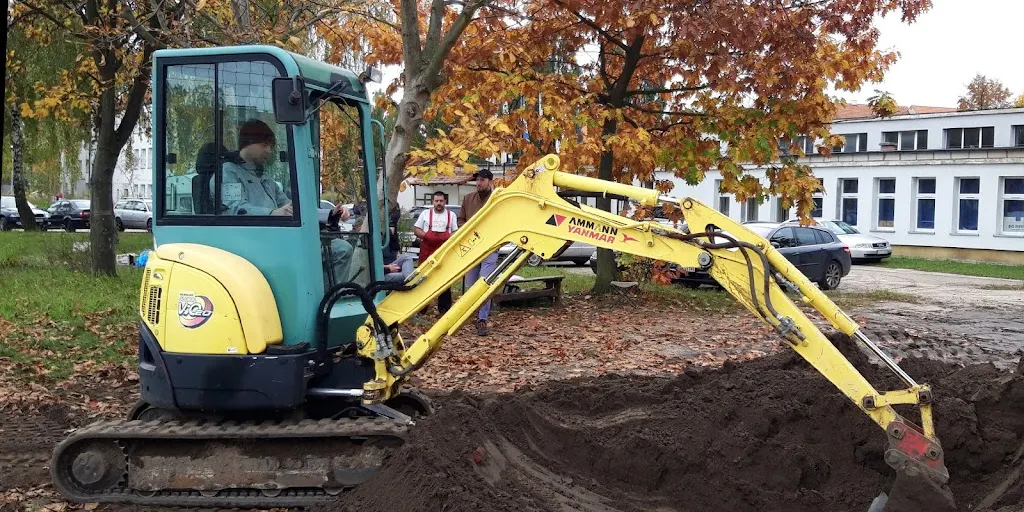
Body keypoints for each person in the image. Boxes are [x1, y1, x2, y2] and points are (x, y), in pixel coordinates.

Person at [457, 169, 498, 336]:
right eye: (477, 180)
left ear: (489, 181)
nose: (478, 183)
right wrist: (464, 229)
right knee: (471, 284)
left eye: (482, 180)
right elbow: (461, 219)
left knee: (484, 282)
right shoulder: (468, 199)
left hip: (490, 246)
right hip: (472, 246)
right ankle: (470, 314)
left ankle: (482, 319)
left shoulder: (497, 199)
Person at [414, 191, 458, 314]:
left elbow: (456, 232)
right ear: (433, 202)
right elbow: (416, 229)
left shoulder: (451, 215)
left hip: (444, 251)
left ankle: (444, 309)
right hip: (427, 250)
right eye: (436, 201)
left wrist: (448, 237)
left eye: (441, 201)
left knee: (444, 279)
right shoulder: (425, 214)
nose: (439, 203)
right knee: (423, 279)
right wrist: (427, 236)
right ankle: (421, 308)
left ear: (445, 202)